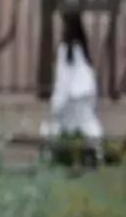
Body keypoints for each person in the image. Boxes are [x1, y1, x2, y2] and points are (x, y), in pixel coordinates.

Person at [41, 9, 103, 143]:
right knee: (88, 126)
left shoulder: (65, 49)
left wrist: (56, 102)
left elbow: (63, 79)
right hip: (84, 93)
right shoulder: (82, 48)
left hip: (70, 96)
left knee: (59, 128)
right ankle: (96, 150)